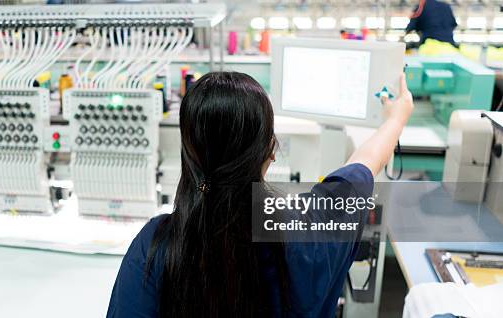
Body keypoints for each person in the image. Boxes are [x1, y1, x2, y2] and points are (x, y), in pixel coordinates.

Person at [107, 71, 414, 317]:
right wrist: (396, 118)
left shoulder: (156, 244)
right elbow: (363, 165)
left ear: (189, 153)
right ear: (270, 151)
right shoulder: (311, 229)